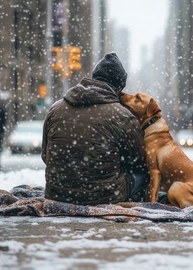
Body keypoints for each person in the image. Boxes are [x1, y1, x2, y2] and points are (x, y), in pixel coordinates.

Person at [41, 52, 149, 205]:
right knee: (144, 175)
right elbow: (138, 162)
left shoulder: (55, 108)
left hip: (57, 194)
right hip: (104, 197)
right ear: (119, 88)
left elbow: (45, 156)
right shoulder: (122, 115)